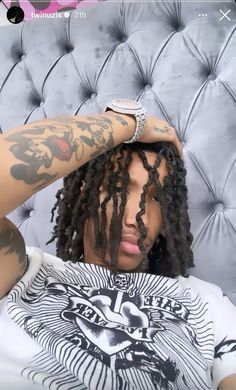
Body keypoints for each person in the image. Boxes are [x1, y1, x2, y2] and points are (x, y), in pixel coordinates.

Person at [0, 99, 235, 390]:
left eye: (157, 199)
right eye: (119, 188)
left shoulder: (205, 301)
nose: (140, 219)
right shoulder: (21, 271)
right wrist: (128, 123)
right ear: (84, 195)